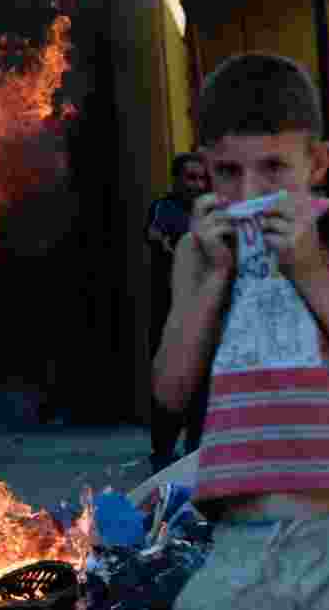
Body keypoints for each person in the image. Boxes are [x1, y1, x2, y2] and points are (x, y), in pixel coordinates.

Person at [153, 53, 329, 609]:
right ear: (205, 168)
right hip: (239, 545)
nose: (249, 192)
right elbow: (169, 390)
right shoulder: (197, 250)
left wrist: (307, 270)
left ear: (318, 161)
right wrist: (214, 277)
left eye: (273, 168)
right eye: (228, 172)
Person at [145, 152, 209, 475]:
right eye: (190, 178)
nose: (197, 185)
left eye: (202, 178)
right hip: (169, 313)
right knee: (169, 379)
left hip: (207, 313)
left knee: (203, 383)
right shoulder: (163, 209)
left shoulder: (213, 212)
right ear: (176, 180)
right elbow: (156, 238)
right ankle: (163, 454)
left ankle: (196, 453)